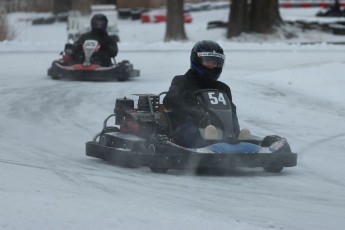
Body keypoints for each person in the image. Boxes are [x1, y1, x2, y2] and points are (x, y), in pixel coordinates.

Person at [163, 40, 240, 148]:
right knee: (192, 130)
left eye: (215, 63)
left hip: (219, 129)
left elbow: (232, 113)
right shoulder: (181, 81)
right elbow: (169, 100)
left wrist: (234, 128)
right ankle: (208, 144)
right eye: (208, 62)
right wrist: (189, 102)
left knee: (233, 130)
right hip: (184, 128)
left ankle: (239, 140)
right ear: (196, 60)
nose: (212, 66)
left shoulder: (223, 88)